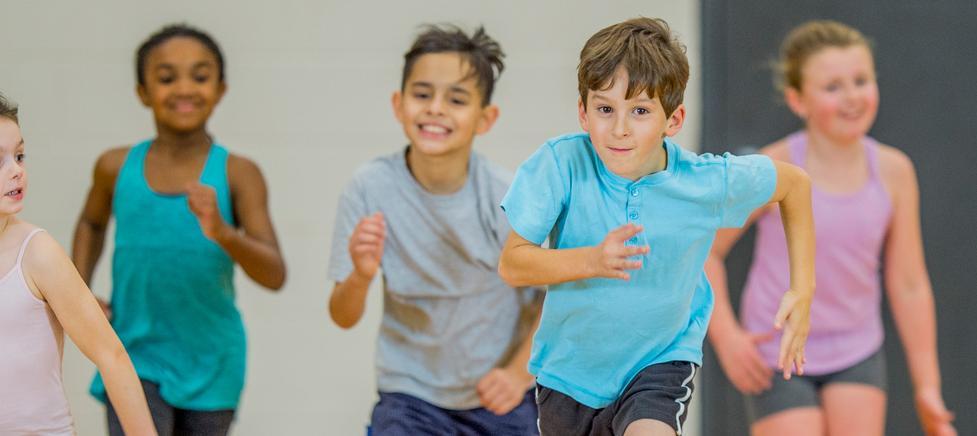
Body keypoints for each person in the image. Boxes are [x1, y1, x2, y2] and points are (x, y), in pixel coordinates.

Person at [498, 17, 816, 436]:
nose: (620, 128)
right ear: (583, 111)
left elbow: (795, 184)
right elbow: (513, 265)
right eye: (605, 109)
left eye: (641, 111)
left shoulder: (705, 181)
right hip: (568, 375)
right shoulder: (561, 164)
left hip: (659, 364)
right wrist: (592, 260)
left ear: (674, 119)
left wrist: (803, 289)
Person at [705, 20, 956, 436]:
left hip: (856, 348)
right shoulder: (773, 169)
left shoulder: (894, 171)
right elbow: (706, 252)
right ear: (797, 100)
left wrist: (928, 386)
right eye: (832, 87)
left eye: (860, 80)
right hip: (779, 349)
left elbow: (909, 283)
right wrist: (727, 337)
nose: (852, 97)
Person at [72, 24, 286, 436]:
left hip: (213, 362)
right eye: (167, 77)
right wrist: (80, 290)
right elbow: (91, 222)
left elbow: (274, 274)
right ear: (142, 91)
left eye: (200, 76)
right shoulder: (115, 166)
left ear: (221, 89)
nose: (184, 88)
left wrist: (222, 231)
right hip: (133, 353)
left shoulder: (239, 173)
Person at [327, 24, 542, 435]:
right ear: (398, 103)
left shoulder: (508, 196)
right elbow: (342, 314)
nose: (435, 109)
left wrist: (517, 374)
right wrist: (360, 274)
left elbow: (556, 298)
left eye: (456, 99)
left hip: (500, 395)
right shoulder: (369, 187)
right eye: (422, 94)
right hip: (410, 397)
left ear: (486, 118)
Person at [0, 93, 157, 436]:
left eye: (20, 156)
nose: (17, 172)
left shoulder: (38, 253)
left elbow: (111, 355)